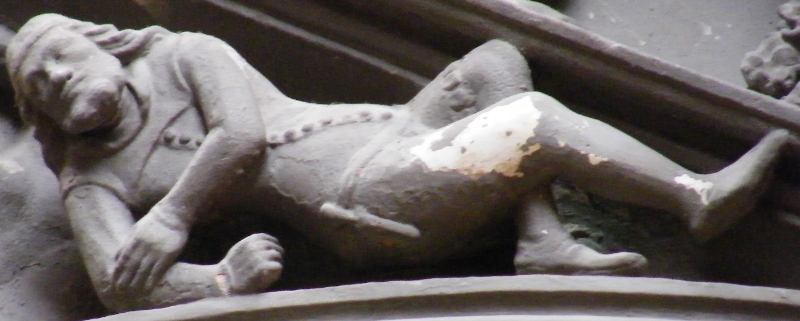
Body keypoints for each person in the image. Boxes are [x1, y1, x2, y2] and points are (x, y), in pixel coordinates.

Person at [7, 13, 788, 312]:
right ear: (38, 114)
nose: (56, 80)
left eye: (63, 60)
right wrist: (215, 280)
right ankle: (694, 195)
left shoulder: (185, 53)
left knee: (494, 62)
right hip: (361, 196)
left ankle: (539, 235)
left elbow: (239, 137)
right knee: (533, 121)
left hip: (393, 131)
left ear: (105, 42)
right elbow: (115, 278)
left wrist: (173, 215)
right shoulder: (94, 179)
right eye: (38, 85)